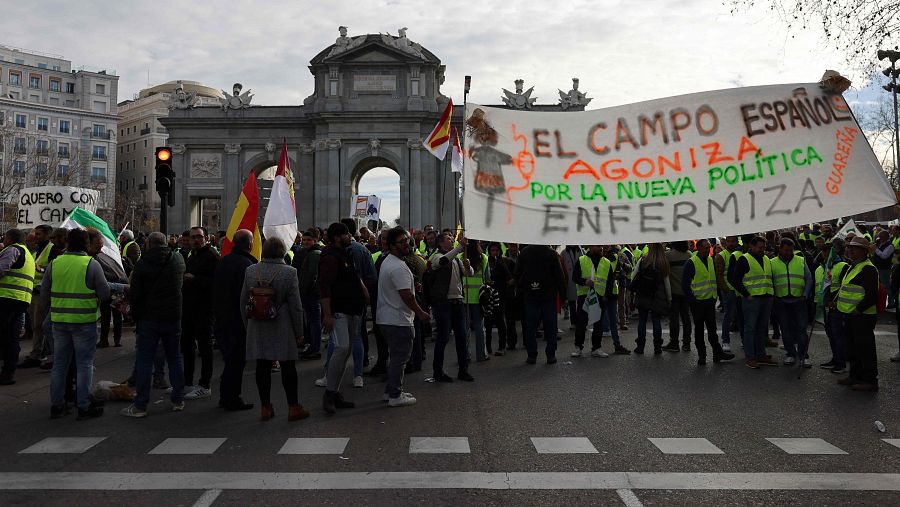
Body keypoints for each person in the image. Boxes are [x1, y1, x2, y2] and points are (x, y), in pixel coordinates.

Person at [44, 229, 122, 419]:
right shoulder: (91, 264)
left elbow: (45, 292)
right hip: (84, 322)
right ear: (86, 244)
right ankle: (84, 405)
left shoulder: (55, 263)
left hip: (60, 321)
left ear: (68, 243)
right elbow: (104, 294)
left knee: (60, 365)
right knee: (84, 365)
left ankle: (57, 405)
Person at [240, 237, 308, 420]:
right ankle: (293, 406)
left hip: (257, 324)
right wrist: (300, 332)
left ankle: (265, 407)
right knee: (288, 366)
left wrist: (248, 325)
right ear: (282, 252)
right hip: (282, 323)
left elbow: (243, 300)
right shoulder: (290, 272)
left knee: (261, 366)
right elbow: (296, 305)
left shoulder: (251, 270)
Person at [120, 232, 187, 418]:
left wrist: (136, 315)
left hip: (149, 318)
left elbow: (136, 293)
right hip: (173, 316)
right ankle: (178, 399)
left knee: (145, 360)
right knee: (174, 357)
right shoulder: (177, 260)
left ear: (148, 244)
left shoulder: (143, 264)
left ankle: (141, 405)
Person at [377, 227, 430, 407]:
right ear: (392, 245)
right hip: (398, 319)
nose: (406, 244)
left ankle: (390, 390)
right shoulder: (397, 266)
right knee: (400, 358)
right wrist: (420, 312)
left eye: (407, 240)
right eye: (401, 242)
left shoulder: (390, 261)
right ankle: (395, 395)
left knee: (396, 357)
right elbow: (406, 295)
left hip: (388, 318)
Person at [319, 222, 368, 414]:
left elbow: (353, 276)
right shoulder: (330, 258)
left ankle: (335, 392)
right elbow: (324, 287)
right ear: (338, 237)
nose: (351, 236)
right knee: (341, 348)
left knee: (345, 351)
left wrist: (363, 290)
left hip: (352, 309)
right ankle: (329, 394)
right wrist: (327, 315)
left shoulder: (345, 253)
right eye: (347, 234)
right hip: (339, 310)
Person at [213, 229, 257, 411]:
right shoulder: (246, 265)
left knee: (231, 359)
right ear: (249, 244)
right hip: (238, 320)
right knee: (236, 361)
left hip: (222, 316)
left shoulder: (223, 261)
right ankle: (232, 398)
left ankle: (226, 395)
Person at [834, 236, 880, 391]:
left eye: (854, 247)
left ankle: (870, 380)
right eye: (849, 247)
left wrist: (858, 309)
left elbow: (872, 294)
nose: (850, 250)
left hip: (862, 315)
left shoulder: (868, 268)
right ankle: (855, 375)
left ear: (863, 251)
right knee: (853, 348)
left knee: (865, 348)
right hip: (851, 314)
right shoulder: (852, 266)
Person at [428, 233, 474, 381]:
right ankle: (438, 371)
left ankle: (463, 369)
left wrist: (468, 266)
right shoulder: (437, 257)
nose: (452, 240)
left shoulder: (456, 260)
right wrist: (460, 247)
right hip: (444, 304)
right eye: (449, 239)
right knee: (443, 338)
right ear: (441, 244)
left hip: (458, 302)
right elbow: (441, 262)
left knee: (461, 338)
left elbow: (468, 274)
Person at [181, 226, 220, 400]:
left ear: (206, 238)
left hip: (205, 309)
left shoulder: (212, 256)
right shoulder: (192, 255)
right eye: (192, 237)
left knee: (205, 347)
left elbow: (216, 283)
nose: (196, 240)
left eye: (199, 237)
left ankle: (205, 384)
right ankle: (187, 382)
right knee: (187, 346)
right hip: (189, 308)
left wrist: (195, 279)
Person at [682, 239, 735, 365]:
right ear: (699, 248)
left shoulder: (711, 260)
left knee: (712, 330)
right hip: (698, 302)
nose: (708, 250)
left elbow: (714, 279)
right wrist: (692, 301)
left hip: (710, 301)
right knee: (699, 330)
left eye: (708, 247)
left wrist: (714, 296)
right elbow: (685, 285)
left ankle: (717, 354)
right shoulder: (691, 263)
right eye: (705, 248)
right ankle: (702, 355)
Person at [729, 236, 777, 369]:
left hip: (766, 298)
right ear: (752, 246)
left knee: (762, 328)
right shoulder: (744, 259)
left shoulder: (766, 259)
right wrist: (747, 294)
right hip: (753, 299)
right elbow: (735, 280)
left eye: (764, 247)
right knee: (750, 329)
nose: (763, 250)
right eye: (760, 247)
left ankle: (761, 354)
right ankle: (750, 357)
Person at [515, 243, 566, 364]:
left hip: (531, 295)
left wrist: (522, 288)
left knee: (530, 327)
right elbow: (559, 276)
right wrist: (563, 297)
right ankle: (550, 355)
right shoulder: (552, 253)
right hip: (548, 295)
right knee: (551, 326)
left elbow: (517, 274)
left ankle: (532, 355)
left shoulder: (524, 252)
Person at [341, 218, 376, 386]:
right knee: (358, 335)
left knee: (337, 338)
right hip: (358, 300)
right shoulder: (362, 250)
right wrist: (366, 294)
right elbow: (371, 276)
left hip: (339, 300)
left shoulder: (333, 251)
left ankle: (331, 374)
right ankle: (359, 372)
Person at [770, 237, 813, 367]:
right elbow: (770, 280)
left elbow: (809, 278)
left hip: (799, 300)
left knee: (801, 329)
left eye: (791, 250)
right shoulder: (772, 262)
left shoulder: (800, 260)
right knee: (786, 329)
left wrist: (805, 295)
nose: (789, 252)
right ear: (780, 249)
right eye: (786, 250)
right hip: (781, 301)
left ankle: (803, 355)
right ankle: (790, 354)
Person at [0, 229, 35, 385]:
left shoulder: (13, 250)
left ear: (10, 239)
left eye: (5, 237)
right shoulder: (27, 254)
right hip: (21, 300)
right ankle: (8, 373)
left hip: (6, 298)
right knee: (12, 337)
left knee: (6, 336)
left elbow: (2, 269)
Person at [19, 225, 52, 368]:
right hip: (33, 291)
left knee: (39, 325)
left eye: (39, 234)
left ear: (47, 235)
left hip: (42, 293)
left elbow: (51, 269)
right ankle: (40, 351)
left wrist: (41, 268)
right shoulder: (36, 250)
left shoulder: (50, 249)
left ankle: (37, 354)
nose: (35, 236)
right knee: (35, 324)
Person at [631, 243, 670, 354]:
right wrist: (669, 298)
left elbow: (634, 275)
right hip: (658, 295)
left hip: (643, 293)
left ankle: (640, 347)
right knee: (656, 320)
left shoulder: (643, 259)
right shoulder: (663, 262)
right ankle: (657, 347)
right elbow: (667, 283)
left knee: (642, 321)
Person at [572, 245, 610, 357]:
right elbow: (574, 277)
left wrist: (606, 295)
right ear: (592, 247)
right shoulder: (582, 260)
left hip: (600, 296)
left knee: (598, 324)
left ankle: (596, 348)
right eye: (598, 246)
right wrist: (584, 281)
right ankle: (578, 347)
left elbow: (610, 280)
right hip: (585, 296)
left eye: (602, 246)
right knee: (581, 323)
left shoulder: (606, 262)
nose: (601, 248)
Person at [294, 230, 323, 360]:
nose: (305, 242)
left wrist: (304, 289)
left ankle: (315, 348)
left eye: (309, 240)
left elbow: (311, 276)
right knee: (311, 321)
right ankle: (312, 346)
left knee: (314, 321)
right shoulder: (308, 252)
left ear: (315, 240)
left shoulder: (315, 254)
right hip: (308, 293)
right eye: (304, 240)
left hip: (310, 293)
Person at [662, 241, 692, 352]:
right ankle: (687, 343)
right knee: (686, 317)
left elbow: (663, 271)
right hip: (686, 292)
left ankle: (674, 342)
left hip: (673, 291)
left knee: (674, 318)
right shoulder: (689, 254)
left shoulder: (668, 255)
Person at [462, 239, 489, 362]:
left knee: (465, 328)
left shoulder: (460, 257)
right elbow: (488, 277)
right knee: (479, 327)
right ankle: (481, 355)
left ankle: (466, 355)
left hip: (464, 297)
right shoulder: (484, 258)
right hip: (479, 297)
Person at [484, 242, 510, 356]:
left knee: (500, 320)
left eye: (496, 250)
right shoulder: (486, 261)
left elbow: (508, 277)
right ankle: (488, 347)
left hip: (500, 295)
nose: (495, 252)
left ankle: (502, 345)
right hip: (488, 294)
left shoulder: (503, 262)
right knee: (488, 320)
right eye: (492, 250)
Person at [715, 236, 740, 353]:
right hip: (729, 291)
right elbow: (719, 276)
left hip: (741, 291)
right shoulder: (722, 255)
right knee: (728, 316)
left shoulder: (740, 254)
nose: (730, 243)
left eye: (733, 241)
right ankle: (725, 341)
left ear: (736, 242)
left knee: (742, 316)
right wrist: (726, 290)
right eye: (729, 241)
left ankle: (744, 340)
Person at [560, 245, 583, 330]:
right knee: (572, 302)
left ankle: (581, 321)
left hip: (580, 279)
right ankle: (573, 322)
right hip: (569, 280)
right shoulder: (563, 252)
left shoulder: (581, 251)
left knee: (581, 302)